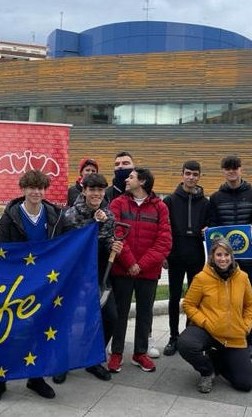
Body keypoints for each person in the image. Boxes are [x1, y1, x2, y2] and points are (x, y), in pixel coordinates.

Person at [0, 169, 59, 405]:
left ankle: (35, 377)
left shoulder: (54, 214)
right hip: (15, 284)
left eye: (40, 187)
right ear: (23, 189)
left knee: (39, 330)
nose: (36, 192)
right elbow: (3, 252)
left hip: (43, 284)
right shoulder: (12, 215)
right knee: (7, 331)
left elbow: (69, 241)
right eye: (31, 187)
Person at [56, 173, 121, 384]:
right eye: (92, 189)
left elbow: (106, 242)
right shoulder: (69, 215)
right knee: (67, 319)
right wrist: (94, 224)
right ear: (84, 191)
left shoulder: (109, 216)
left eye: (101, 190)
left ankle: (91, 357)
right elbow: (70, 245)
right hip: (73, 276)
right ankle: (63, 361)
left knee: (110, 317)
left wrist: (113, 245)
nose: (97, 194)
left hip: (98, 275)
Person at [108, 167, 172, 373]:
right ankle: (116, 353)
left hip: (148, 272)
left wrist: (141, 265)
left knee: (145, 314)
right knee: (120, 313)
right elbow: (116, 233)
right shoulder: (117, 203)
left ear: (142, 182)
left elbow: (164, 241)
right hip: (122, 270)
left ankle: (140, 353)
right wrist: (129, 263)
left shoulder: (160, 207)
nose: (127, 180)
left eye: (131, 177)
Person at [177, 238, 252, 393]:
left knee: (245, 384)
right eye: (219, 254)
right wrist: (204, 322)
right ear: (212, 256)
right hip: (208, 330)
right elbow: (188, 304)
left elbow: (250, 305)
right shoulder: (202, 278)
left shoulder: (243, 278)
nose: (223, 258)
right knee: (185, 344)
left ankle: (217, 358)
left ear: (232, 256)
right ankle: (207, 370)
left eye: (226, 254)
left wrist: (246, 327)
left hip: (234, 336)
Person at [208, 155, 252, 358]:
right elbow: (213, 223)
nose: (232, 171)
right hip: (224, 260)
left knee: (249, 300)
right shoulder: (215, 198)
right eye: (227, 168)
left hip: (249, 259)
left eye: (235, 168)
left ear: (241, 169)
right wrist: (209, 230)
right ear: (223, 171)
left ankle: (250, 340)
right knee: (222, 300)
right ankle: (223, 337)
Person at [162, 161, 209, 356]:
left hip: (196, 253)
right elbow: (163, 230)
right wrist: (164, 253)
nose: (191, 177)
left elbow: (211, 225)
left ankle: (189, 335)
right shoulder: (170, 201)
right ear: (182, 175)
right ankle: (173, 336)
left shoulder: (206, 202)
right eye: (188, 173)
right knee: (174, 296)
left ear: (199, 177)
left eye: (195, 174)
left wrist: (208, 230)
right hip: (175, 253)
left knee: (194, 297)